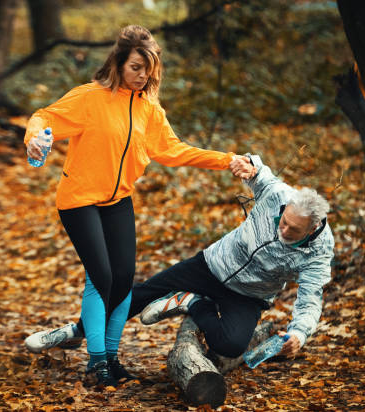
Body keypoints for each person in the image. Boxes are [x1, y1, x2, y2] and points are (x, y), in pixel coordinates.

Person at [22, 25, 254, 388]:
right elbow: (45, 116)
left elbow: (174, 150)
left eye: (148, 69)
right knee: (102, 277)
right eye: (135, 67)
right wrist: (34, 137)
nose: (142, 75)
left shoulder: (149, 109)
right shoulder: (90, 98)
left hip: (117, 201)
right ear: (118, 63)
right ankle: (96, 363)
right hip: (79, 200)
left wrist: (227, 160)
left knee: (124, 280)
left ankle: (112, 358)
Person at [129, 154, 334, 360]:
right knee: (138, 296)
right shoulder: (278, 195)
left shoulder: (318, 252)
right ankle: (100, 352)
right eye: (284, 221)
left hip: (248, 295)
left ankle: (191, 301)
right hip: (212, 265)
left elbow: (310, 299)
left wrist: (299, 334)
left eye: (294, 229)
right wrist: (249, 164)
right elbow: (260, 172)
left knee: (231, 345)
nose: (284, 229)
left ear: (312, 228)